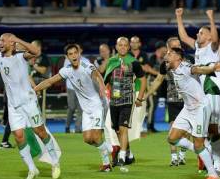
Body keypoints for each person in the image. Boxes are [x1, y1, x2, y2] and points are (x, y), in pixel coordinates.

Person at [0, 34, 61, 179]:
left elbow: (36, 52)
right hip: (13, 106)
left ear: (11, 43)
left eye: (3, 40)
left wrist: (18, 40)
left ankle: (55, 162)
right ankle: (32, 169)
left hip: (29, 102)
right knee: (19, 137)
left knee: (40, 132)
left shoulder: (21, 56)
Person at [34, 44, 112, 171]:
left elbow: (96, 75)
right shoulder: (66, 70)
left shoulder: (87, 66)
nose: (74, 56)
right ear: (67, 57)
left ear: (79, 54)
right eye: (71, 54)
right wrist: (34, 89)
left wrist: (102, 86)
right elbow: (50, 81)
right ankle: (108, 147)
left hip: (98, 105)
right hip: (86, 110)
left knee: (96, 137)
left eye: (75, 53)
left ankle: (106, 164)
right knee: (87, 139)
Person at [164, 47, 220, 179]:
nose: (167, 55)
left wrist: (212, 68)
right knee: (172, 139)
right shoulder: (172, 69)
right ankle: (199, 149)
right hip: (188, 108)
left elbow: (199, 69)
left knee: (199, 143)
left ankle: (213, 175)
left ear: (178, 57)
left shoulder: (185, 67)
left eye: (170, 54)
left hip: (200, 108)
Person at [103, 37, 147, 171]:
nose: (122, 47)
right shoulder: (111, 61)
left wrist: (139, 98)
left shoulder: (133, 62)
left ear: (128, 48)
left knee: (123, 128)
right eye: (120, 45)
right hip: (113, 101)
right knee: (117, 130)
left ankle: (121, 157)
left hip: (127, 100)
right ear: (116, 47)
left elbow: (143, 79)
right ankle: (129, 154)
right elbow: (106, 80)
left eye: (125, 45)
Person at [145, 37, 189, 166]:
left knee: (187, 131)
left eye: (179, 45)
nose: (178, 47)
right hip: (173, 100)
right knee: (173, 129)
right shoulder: (165, 63)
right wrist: (146, 95)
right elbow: (158, 80)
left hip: (188, 100)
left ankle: (182, 156)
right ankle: (174, 158)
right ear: (169, 48)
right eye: (175, 45)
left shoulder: (189, 60)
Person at [64, 44, 87, 134]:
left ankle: (78, 129)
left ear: (80, 51)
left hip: (82, 89)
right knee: (71, 108)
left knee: (81, 109)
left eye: (77, 50)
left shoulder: (86, 61)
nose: (74, 53)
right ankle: (67, 126)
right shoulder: (67, 60)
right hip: (71, 88)